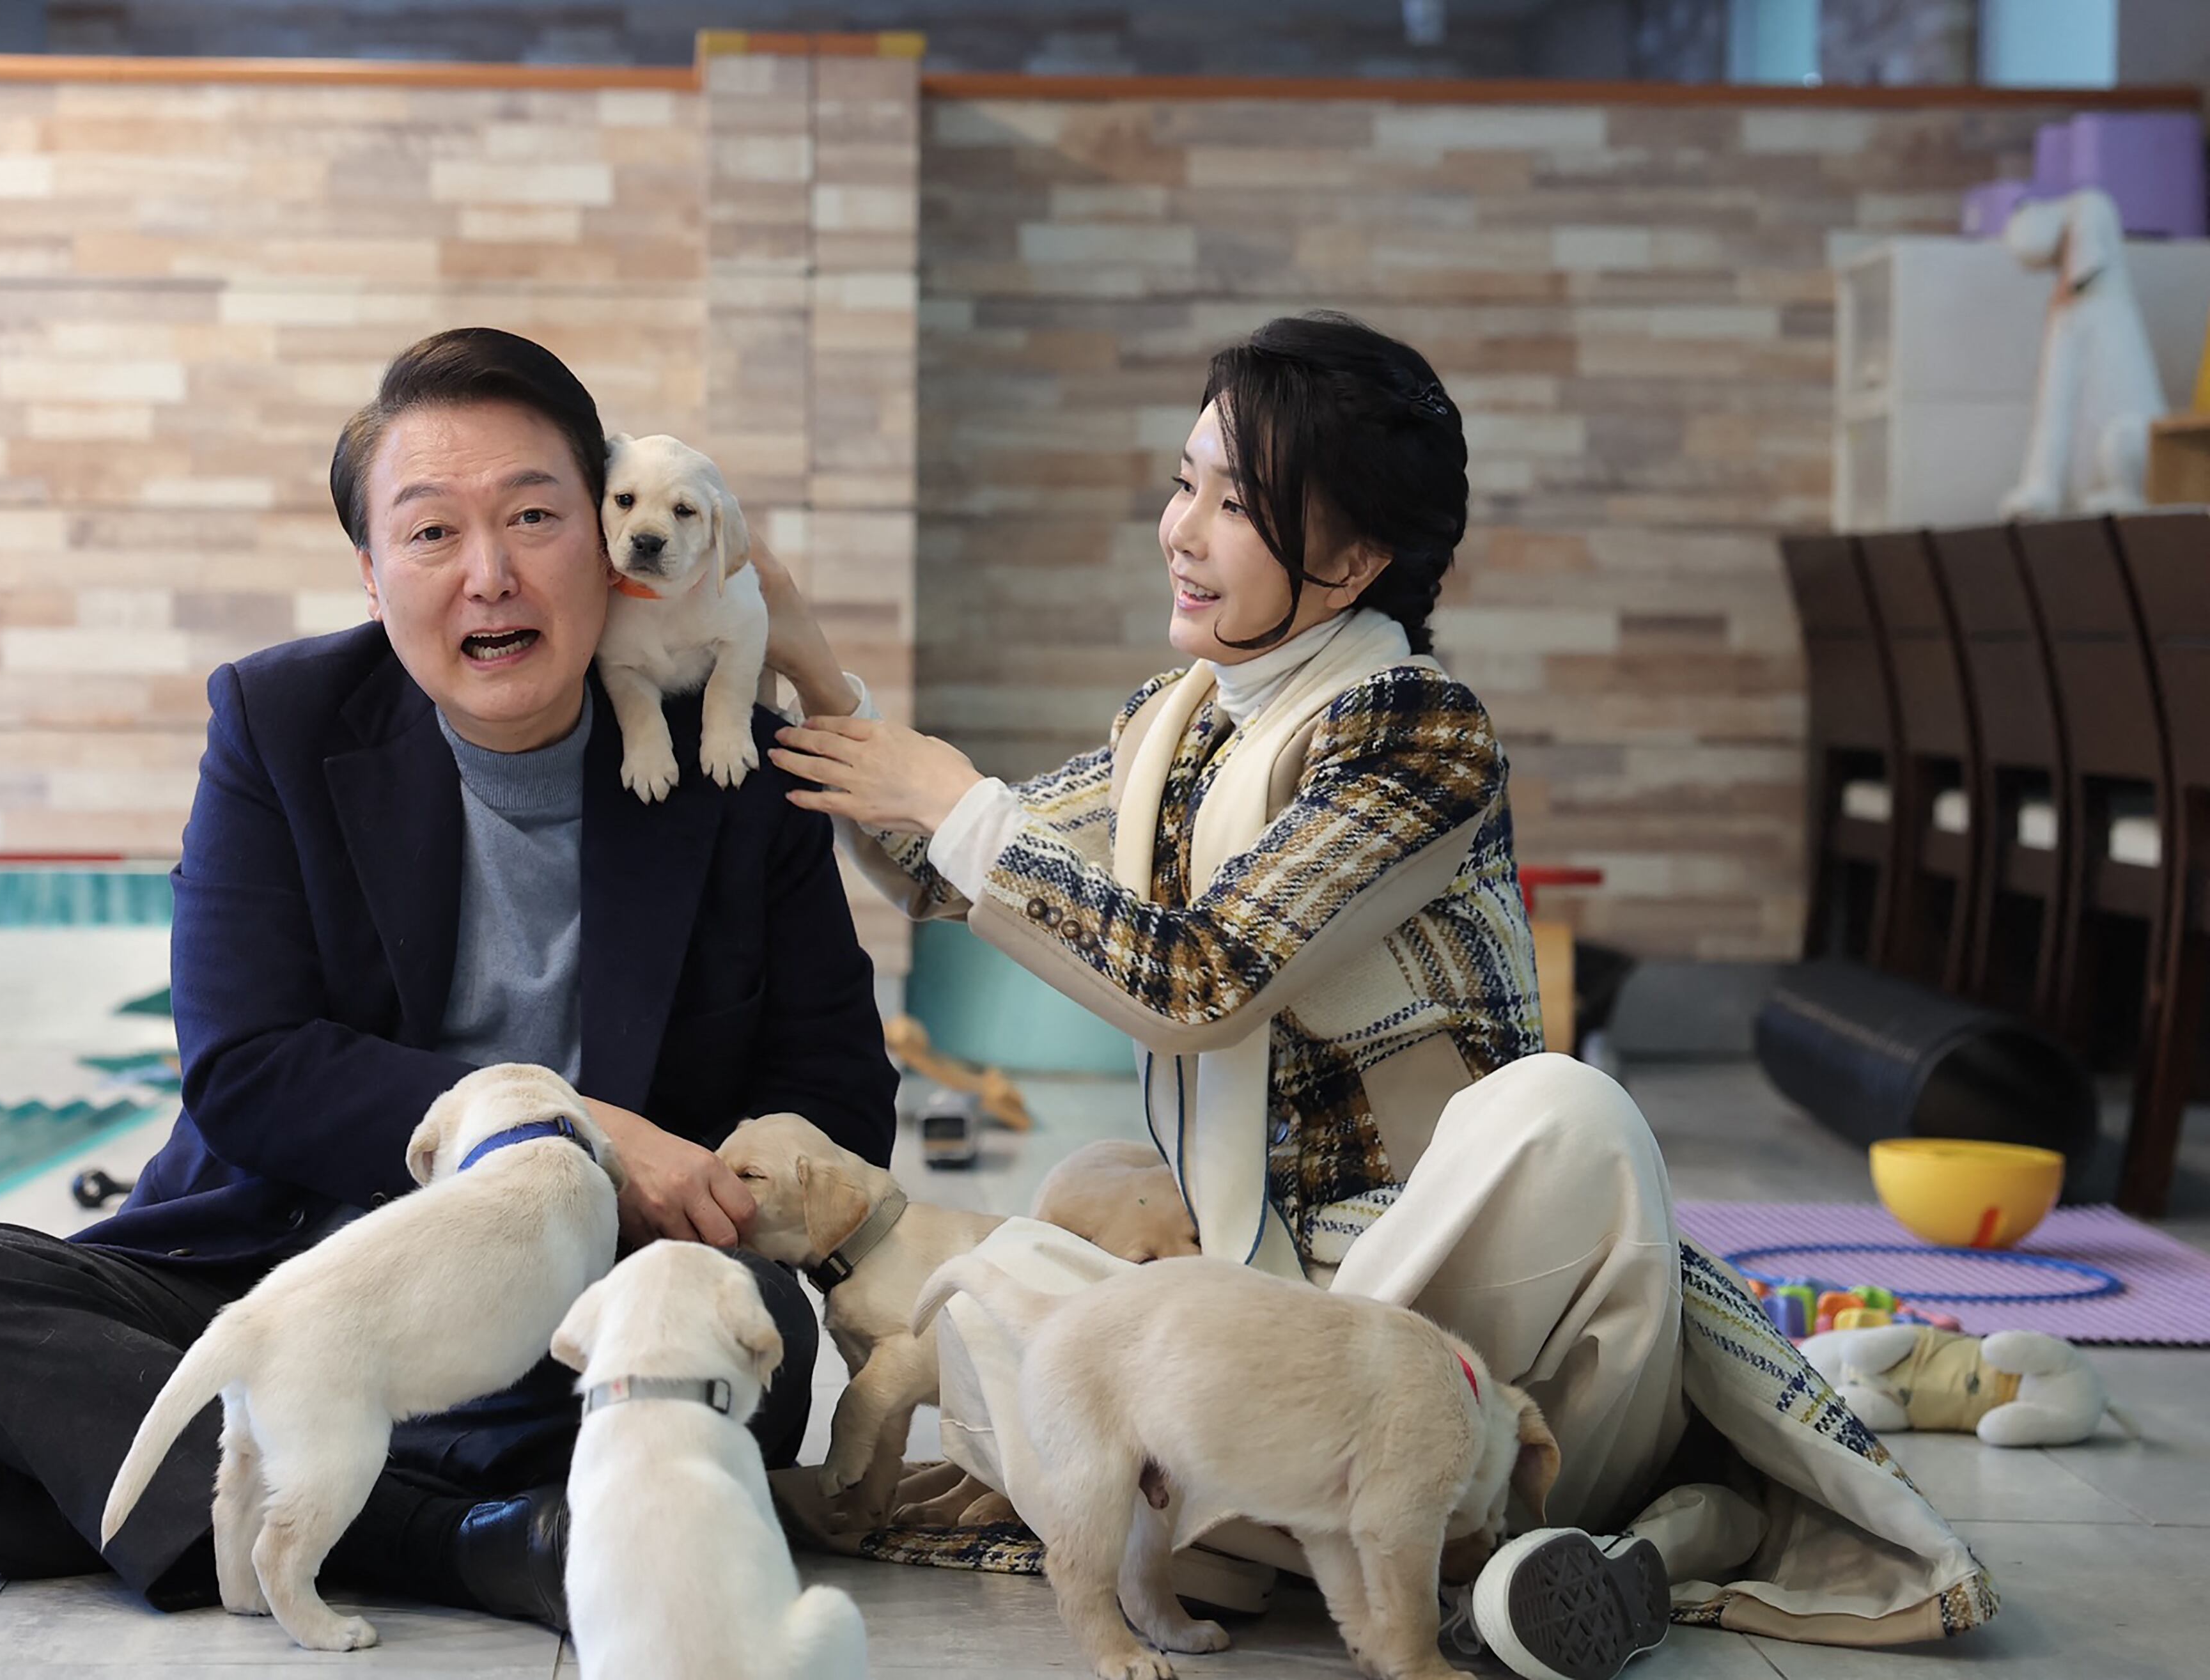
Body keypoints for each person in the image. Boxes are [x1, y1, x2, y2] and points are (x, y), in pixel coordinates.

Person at [761, 313, 1992, 1677]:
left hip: (1458, 1291)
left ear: (1352, 559)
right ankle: (1471, 1547)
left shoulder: (1418, 728)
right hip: (1269, 1301)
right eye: (1184, 483)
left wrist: (963, 810)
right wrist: (807, 665)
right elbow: (939, 868)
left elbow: (1201, 982)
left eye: (1237, 506)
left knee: (1562, 1119)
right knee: (1012, 1268)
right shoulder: (1174, 721)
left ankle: (1497, 1506)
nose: (1182, 530)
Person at [0, 328, 897, 1632]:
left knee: (747, 1342)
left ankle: (181, 1489)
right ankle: (459, 1538)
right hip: (297, 1264)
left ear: (613, 546)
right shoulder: (279, 722)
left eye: (533, 517)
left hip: (572, 1295)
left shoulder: (736, 770)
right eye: (430, 535)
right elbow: (247, 1067)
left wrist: (663, 1195)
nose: (490, 576)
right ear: (369, 572)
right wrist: (579, 1130)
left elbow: (839, 1111)